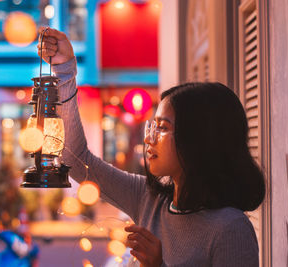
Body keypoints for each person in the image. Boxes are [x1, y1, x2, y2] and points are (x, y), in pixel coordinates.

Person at [37, 27, 265, 267]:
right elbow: (77, 161)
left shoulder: (230, 229)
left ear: (197, 139)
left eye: (163, 128)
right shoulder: (150, 199)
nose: (149, 139)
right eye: (152, 127)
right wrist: (64, 71)